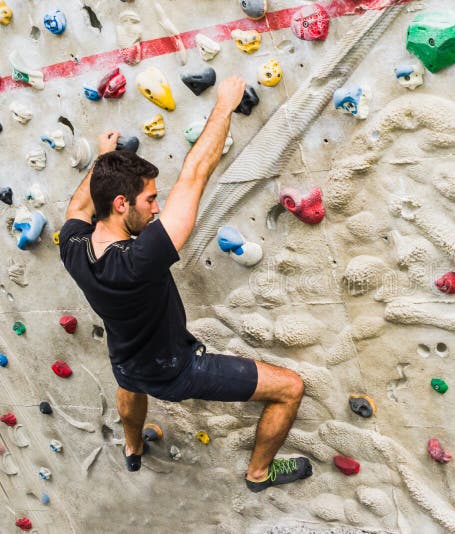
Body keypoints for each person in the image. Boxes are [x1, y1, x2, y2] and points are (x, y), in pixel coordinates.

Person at [58, 76, 312, 491]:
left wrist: (104, 162)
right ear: (121, 205)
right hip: (177, 370)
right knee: (290, 387)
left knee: (128, 386)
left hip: (125, 360)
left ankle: (132, 447)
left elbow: (79, 204)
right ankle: (259, 473)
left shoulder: (73, 247)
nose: (157, 208)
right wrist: (225, 105)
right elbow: (195, 173)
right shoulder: (142, 259)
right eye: (150, 199)